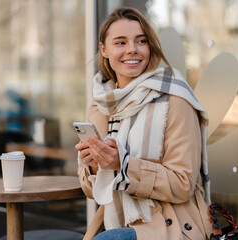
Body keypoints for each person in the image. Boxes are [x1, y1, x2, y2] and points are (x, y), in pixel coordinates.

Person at [75, 7, 212, 240]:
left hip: (171, 225)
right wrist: (96, 166)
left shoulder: (175, 98)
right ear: (104, 50)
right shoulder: (100, 102)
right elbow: (91, 192)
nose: (132, 49)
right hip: (115, 220)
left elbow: (183, 184)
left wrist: (124, 165)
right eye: (120, 42)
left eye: (141, 41)